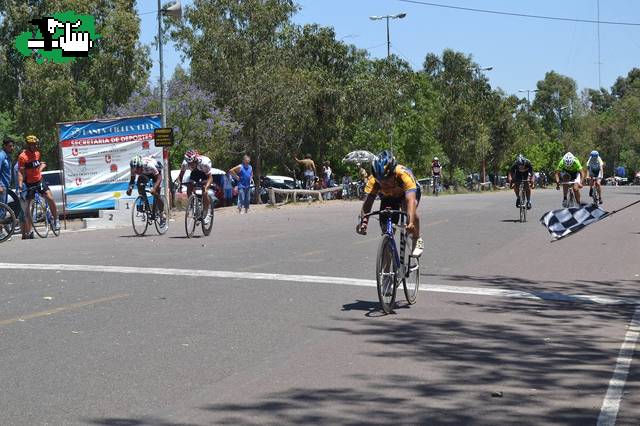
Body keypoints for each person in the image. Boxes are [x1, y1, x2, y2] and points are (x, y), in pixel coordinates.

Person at [356, 150, 424, 257]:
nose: (384, 184)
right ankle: (386, 269)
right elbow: (367, 203)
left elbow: (410, 200)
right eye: (381, 181)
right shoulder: (373, 181)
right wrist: (363, 222)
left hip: (406, 194)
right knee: (386, 231)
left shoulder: (403, 175)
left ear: (393, 173)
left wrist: (410, 222)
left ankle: (417, 239)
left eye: (387, 180)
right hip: (388, 197)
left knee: (410, 210)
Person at [17, 135, 59, 237]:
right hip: (29, 183)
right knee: (28, 208)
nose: (35, 146)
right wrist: (20, 185)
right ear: (28, 145)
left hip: (39, 181)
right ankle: (29, 231)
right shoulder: (22, 156)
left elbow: (37, 168)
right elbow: (21, 172)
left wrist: (41, 167)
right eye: (32, 144)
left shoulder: (37, 153)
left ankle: (56, 219)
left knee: (49, 197)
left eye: (35, 144)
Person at [126, 155, 166, 225]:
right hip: (145, 174)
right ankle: (145, 202)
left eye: (137, 170)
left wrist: (154, 188)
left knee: (156, 194)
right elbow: (132, 180)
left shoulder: (149, 165)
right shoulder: (133, 168)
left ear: (141, 166)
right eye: (135, 170)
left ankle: (162, 213)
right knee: (139, 183)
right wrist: (130, 189)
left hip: (155, 173)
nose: (136, 172)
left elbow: (159, 178)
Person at [177, 150, 214, 224]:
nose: (191, 165)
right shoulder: (185, 163)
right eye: (189, 163)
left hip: (204, 173)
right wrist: (180, 185)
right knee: (189, 188)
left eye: (192, 163)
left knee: (204, 190)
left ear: (196, 159)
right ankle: (194, 208)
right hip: (195, 172)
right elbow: (181, 176)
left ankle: (206, 213)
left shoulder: (204, 163)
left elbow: (210, 178)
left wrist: (206, 188)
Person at [0, 138, 14, 240]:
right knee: (1, 210)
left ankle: (2, 230)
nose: (12, 148)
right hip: (2, 186)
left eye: (12, 146)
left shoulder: (8, 157)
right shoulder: (1, 156)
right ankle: (0, 232)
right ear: (4, 146)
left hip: (6, 186)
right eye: (10, 146)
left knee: (3, 210)